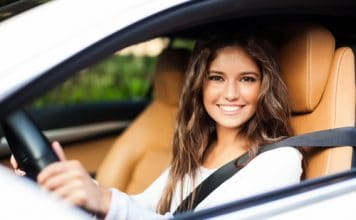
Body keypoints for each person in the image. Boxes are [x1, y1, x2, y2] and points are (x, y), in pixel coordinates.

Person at [11, 32, 303, 219]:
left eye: (247, 79)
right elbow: (144, 206)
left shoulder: (279, 160)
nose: (230, 94)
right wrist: (74, 186)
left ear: (264, 87)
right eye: (216, 77)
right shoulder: (199, 150)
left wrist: (104, 200)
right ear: (200, 86)